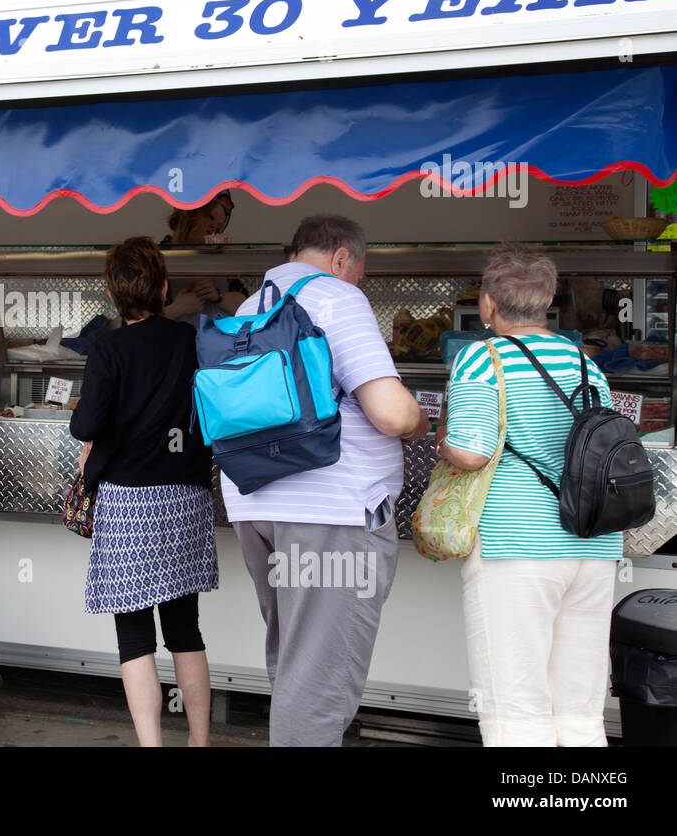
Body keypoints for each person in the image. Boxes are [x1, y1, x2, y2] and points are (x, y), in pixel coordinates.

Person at [222, 214, 429, 747]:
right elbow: (391, 413)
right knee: (319, 680)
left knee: (297, 664)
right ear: (341, 258)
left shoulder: (252, 305)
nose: (356, 281)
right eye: (358, 271)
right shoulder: (338, 297)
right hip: (330, 513)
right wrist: (422, 419)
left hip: (257, 505)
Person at [437, 244, 620, 747]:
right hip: (592, 545)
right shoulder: (585, 363)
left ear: (488, 303)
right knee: (579, 708)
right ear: (547, 300)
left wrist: (440, 439)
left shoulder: (483, 356)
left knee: (516, 705)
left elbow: (471, 452)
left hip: (516, 547)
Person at [70, 236, 218, 746]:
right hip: (188, 498)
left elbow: (85, 424)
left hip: (130, 502)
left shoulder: (108, 348)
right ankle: (200, 742)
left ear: (114, 294)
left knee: (134, 636)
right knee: (186, 628)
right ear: (163, 286)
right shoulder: (190, 340)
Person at [161, 191, 248, 322]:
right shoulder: (157, 258)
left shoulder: (221, 258)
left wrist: (218, 295)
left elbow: (249, 308)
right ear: (189, 213)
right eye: (210, 217)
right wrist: (178, 308)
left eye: (219, 226)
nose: (214, 227)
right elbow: (139, 322)